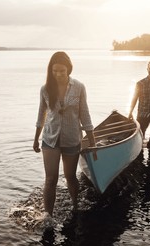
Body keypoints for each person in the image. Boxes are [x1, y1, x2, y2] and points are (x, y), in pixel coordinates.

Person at [33, 51, 96, 224]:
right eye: (54, 71)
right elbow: (41, 115)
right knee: (51, 178)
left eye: (62, 71)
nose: (58, 74)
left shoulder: (79, 87)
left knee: (70, 177)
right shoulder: (45, 89)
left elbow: (85, 115)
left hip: (71, 139)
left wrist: (93, 142)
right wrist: (36, 139)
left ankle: (75, 206)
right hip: (50, 139)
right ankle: (48, 216)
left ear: (68, 69)